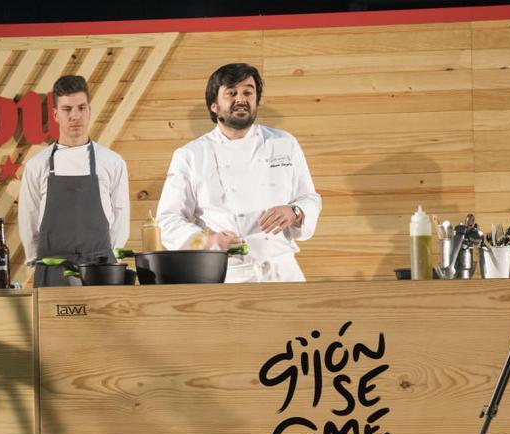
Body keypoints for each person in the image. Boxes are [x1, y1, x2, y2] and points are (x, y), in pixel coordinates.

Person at [156, 63, 321, 283]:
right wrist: (209, 241)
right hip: (228, 273)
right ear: (214, 105)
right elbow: (167, 220)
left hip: (283, 271)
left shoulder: (283, 142)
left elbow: (309, 197)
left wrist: (295, 211)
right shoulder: (191, 154)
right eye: (231, 93)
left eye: (247, 92)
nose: (241, 99)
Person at [18, 75, 130, 287]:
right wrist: (37, 260)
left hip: (100, 270)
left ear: (89, 110)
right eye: (67, 109)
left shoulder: (112, 162)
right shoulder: (36, 166)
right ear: (56, 114)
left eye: (81, 108)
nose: (75, 116)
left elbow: (121, 216)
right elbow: (29, 217)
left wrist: (106, 258)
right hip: (52, 269)